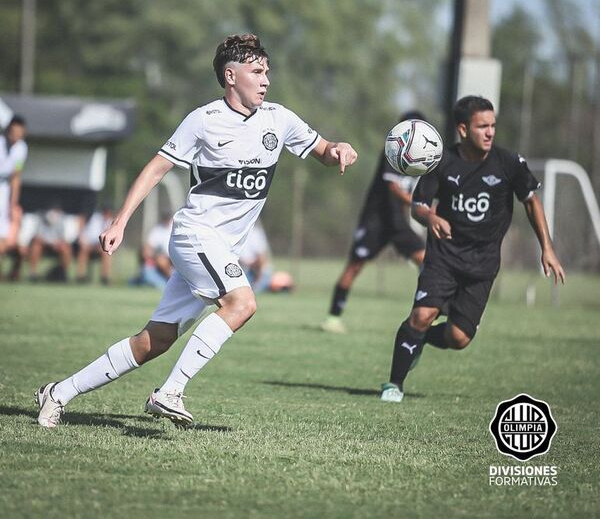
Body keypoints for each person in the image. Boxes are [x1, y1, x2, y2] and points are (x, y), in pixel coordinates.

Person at [35, 33, 358, 428]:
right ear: (230, 75)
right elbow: (157, 167)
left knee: (155, 340)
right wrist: (119, 221)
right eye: (256, 71)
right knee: (242, 303)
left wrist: (339, 148)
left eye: (267, 72)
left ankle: (58, 392)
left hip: (221, 248)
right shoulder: (204, 120)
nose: (265, 80)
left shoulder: (280, 119)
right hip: (195, 235)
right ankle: (170, 393)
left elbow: (322, 151)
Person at [381, 96, 566, 403]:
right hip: (444, 258)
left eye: (493, 125)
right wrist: (431, 217)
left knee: (459, 338)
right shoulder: (441, 162)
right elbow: (418, 206)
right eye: (483, 126)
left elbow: (531, 201)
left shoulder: (509, 163)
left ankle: (418, 341)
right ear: (463, 129)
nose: (490, 132)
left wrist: (547, 247)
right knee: (421, 315)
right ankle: (394, 385)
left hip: (482, 265)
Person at [322, 111, 426, 335]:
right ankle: (332, 318)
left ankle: (429, 314)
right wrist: (417, 203)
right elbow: (393, 187)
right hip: (375, 221)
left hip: (398, 222)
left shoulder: (422, 157)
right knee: (354, 266)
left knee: (426, 262)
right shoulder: (393, 151)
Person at [0, 115, 28, 276]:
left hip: (4, 189)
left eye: (20, 134)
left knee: (4, 233)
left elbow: (16, 177)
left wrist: (13, 203)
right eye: (13, 133)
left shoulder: (22, 148)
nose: (16, 137)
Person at [129, 212, 173, 289]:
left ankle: (172, 281)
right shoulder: (158, 230)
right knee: (155, 260)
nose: (167, 220)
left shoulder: (175, 227)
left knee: (161, 261)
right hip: (162, 258)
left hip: (173, 259)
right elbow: (148, 247)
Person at [76, 207, 114, 285]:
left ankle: (105, 277)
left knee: (107, 253)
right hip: (90, 245)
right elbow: (89, 234)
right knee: (83, 251)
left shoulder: (111, 222)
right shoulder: (95, 219)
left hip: (101, 247)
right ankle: (81, 276)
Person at [238, 220, 272, 293]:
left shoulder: (255, 234)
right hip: (244, 270)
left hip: (255, 271)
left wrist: (258, 279)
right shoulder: (236, 233)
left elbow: (261, 259)